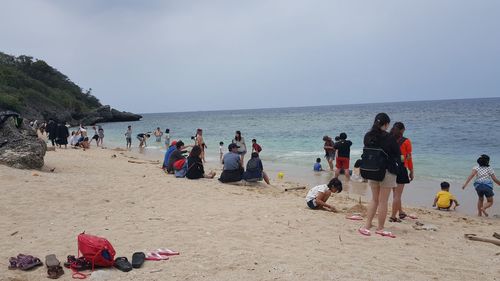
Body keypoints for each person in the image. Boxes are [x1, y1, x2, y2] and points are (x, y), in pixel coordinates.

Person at [359, 113, 401, 238]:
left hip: (371, 170)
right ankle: (380, 227)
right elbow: (397, 153)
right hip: (387, 171)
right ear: (386, 124)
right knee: (383, 201)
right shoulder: (389, 137)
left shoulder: (368, 136)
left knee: (374, 199)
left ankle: (367, 225)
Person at [389, 122, 414, 222]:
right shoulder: (406, 141)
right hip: (401, 168)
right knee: (397, 195)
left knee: (395, 193)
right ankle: (392, 216)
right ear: (402, 130)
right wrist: (411, 171)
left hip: (390, 168)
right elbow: (409, 158)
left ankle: (400, 212)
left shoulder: (389, 139)